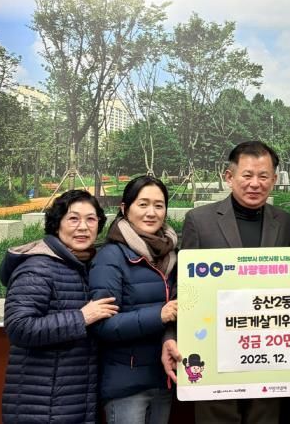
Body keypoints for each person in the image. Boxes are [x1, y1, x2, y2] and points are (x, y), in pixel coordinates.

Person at [161, 140, 290, 424]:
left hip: (269, 353)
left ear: (274, 180)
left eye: (263, 176)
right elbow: (184, 289)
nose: (255, 183)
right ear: (229, 176)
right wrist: (170, 336)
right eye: (247, 175)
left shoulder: (287, 223)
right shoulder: (200, 221)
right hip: (214, 352)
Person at [0, 190, 118, 423]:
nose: (83, 227)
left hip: (74, 401)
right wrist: (81, 317)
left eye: (91, 219)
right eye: (73, 219)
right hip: (40, 406)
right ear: (56, 224)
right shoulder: (37, 268)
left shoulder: (86, 265)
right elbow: (18, 327)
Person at [89, 175, 178, 424]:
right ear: (125, 208)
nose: (151, 212)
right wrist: (159, 314)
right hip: (126, 385)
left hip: (164, 378)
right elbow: (103, 325)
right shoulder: (111, 257)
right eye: (143, 204)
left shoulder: (172, 255)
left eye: (159, 205)